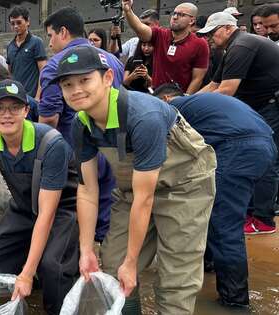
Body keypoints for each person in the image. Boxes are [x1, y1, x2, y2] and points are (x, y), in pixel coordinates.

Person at [57, 45, 216, 314]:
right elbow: (86, 190)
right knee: (113, 261)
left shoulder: (144, 117)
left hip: (185, 186)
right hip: (134, 188)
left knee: (175, 275)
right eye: (67, 84)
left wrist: (132, 262)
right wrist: (85, 250)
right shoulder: (81, 124)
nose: (76, 90)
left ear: (108, 78)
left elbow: (146, 199)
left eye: (85, 80)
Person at [0, 79, 79, 315]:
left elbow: (47, 214)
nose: (6, 115)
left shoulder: (51, 143)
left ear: (26, 110)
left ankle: (56, 291)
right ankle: (32, 285)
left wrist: (27, 273)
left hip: (62, 212)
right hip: (23, 209)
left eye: (14, 108)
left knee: (53, 267)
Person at [154, 84, 276, 308]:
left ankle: (234, 301)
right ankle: (209, 264)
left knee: (224, 226)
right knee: (211, 210)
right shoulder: (202, 105)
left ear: (167, 98)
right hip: (263, 144)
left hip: (239, 148)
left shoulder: (174, 108)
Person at [40, 7, 121, 242]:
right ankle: (104, 266)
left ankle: (77, 266)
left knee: (71, 217)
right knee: (105, 215)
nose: (51, 43)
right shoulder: (112, 60)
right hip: (113, 147)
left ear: (63, 32)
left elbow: (49, 119)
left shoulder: (57, 65)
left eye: (50, 36)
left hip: (75, 152)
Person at [198, 12, 279, 234]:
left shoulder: (242, 45)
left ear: (226, 28)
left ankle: (263, 219)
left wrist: (196, 110)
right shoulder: (232, 48)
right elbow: (214, 85)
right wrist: (187, 103)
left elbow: (226, 91)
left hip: (272, 106)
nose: (210, 38)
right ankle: (253, 213)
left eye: (213, 33)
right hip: (261, 107)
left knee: (267, 161)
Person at [122, 0, 209, 93]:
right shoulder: (160, 34)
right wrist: (128, 11)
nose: (175, 17)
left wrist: (184, 100)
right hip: (157, 96)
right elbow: (139, 28)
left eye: (181, 15)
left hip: (179, 99)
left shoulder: (200, 44)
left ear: (192, 21)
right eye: (174, 13)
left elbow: (197, 78)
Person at [6, 5, 48, 99]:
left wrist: (38, 97)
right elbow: (9, 73)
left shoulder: (36, 42)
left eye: (19, 22)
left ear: (27, 21)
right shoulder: (10, 46)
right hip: (15, 97)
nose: (16, 26)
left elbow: (43, 71)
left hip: (31, 98)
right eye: (12, 23)